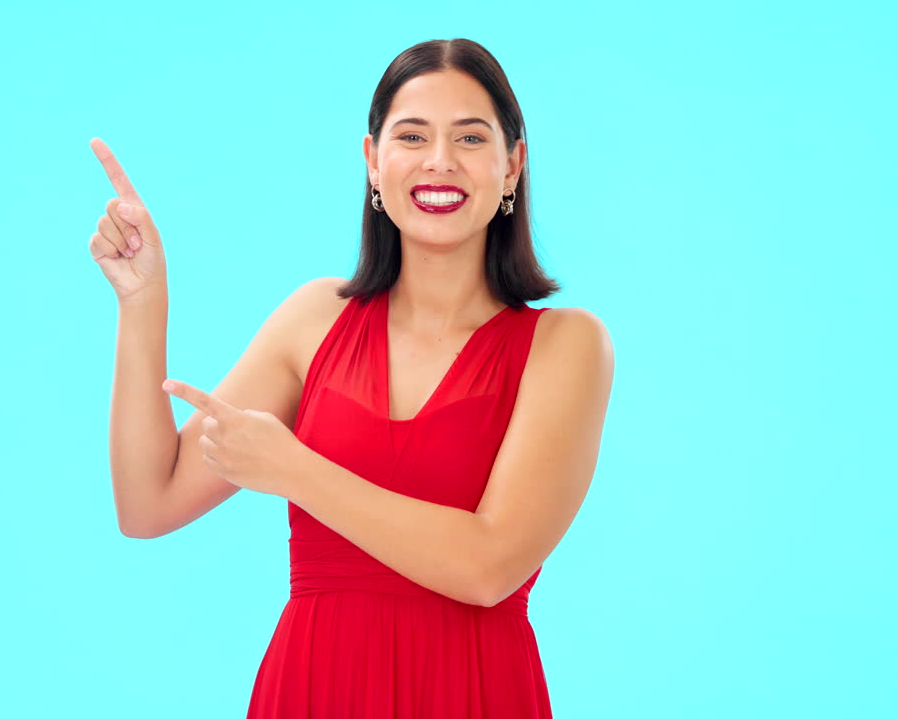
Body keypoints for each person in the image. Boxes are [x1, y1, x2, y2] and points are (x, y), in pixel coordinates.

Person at [94, 37, 613, 719]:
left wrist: (294, 470)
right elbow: (148, 503)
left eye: (469, 137)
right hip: (313, 689)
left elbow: (488, 568)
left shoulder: (566, 345)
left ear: (512, 165)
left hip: (474, 693)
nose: (439, 162)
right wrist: (142, 304)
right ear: (373, 160)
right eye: (412, 135)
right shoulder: (313, 320)